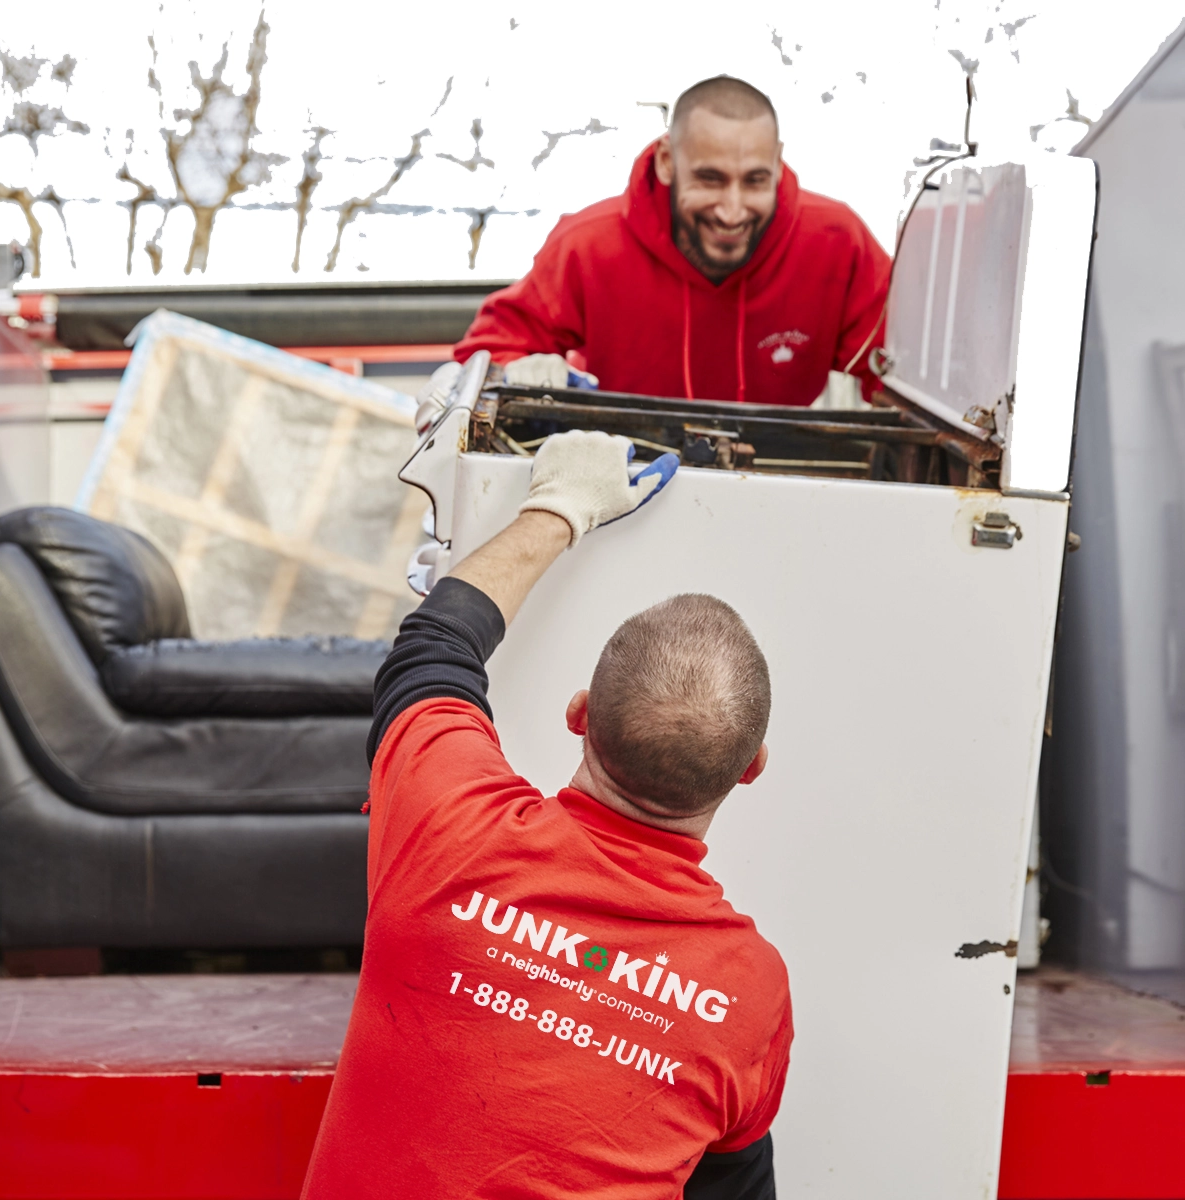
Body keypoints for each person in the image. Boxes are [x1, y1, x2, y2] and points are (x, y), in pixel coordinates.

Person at [302, 431, 792, 1199]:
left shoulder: (451, 824)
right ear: (751, 769)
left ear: (578, 714)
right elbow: (733, 1186)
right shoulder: (750, 990)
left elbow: (433, 647)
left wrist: (559, 506)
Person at [450, 75, 890, 409]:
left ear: (777, 164)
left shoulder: (836, 241)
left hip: (780, 483)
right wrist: (523, 376)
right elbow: (482, 358)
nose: (732, 211)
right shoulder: (589, 246)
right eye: (709, 179)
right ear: (666, 162)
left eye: (755, 181)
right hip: (623, 485)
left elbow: (902, 376)